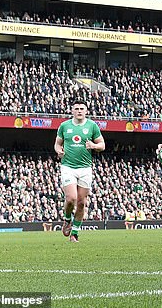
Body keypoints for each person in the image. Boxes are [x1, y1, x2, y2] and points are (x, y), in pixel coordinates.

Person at [54, 99, 105, 242]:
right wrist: (59, 151)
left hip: (85, 168)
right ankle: (67, 219)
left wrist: (93, 146)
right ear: (72, 111)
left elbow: (102, 145)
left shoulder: (92, 126)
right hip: (68, 167)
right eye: (76, 108)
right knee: (71, 198)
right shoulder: (64, 126)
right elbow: (57, 144)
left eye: (82, 108)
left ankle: (75, 233)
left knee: (82, 202)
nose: (79, 111)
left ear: (86, 110)